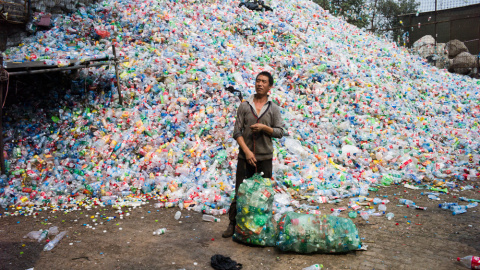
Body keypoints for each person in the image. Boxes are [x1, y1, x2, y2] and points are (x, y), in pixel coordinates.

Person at [222, 71, 284, 238]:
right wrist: (247, 151)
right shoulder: (244, 106)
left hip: (265, 158)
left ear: (270, 86)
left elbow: (279, 132)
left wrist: (265, 128)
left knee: (263, 194)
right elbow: (237, 132)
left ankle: (261, 228)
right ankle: (233, 224)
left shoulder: (273, 109)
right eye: (258, 81)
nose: (260, 84)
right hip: (245, 158)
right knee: (240, 191)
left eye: (264, 82)